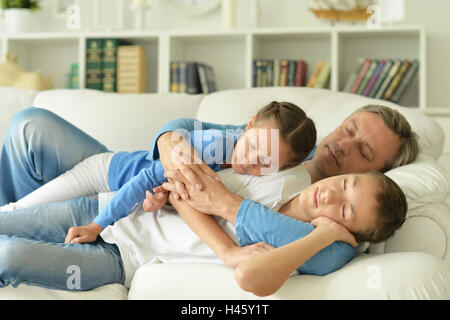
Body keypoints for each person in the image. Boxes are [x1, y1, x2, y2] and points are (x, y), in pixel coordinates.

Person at [0, 168, 407, 294]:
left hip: (120, 259)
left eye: (347, 212)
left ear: (351, 234)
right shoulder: (280, 179)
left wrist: (323, 234)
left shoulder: (323, 251)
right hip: (106, 212)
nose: (334, 196)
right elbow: (182, 191)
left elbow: (251, 277)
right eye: (347, 183)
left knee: (10, 256)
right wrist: (229, 249)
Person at [0, 101, 317, 244]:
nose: (251, 162)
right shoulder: (211, 146)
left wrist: (161, 200)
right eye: (252, 147)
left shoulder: (267, 166)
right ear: (247, 126)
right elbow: (143, 181)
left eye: (267, 163)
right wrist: (97, 226)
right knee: (15, 214)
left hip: (116, 194)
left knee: (23, 228)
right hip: (105, 175)